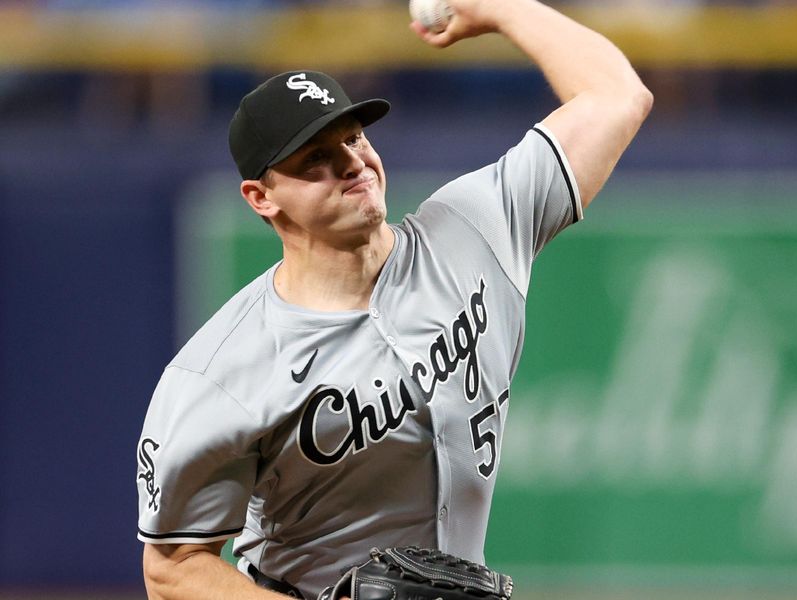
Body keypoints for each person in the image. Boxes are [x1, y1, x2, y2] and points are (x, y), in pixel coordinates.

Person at [136, 1, 653, 599]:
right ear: (261, 197)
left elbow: (617, 96)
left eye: (353, 137)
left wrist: (502, 10)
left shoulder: (473, 230)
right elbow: (172, 567)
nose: (353, 162)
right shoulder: (222, 372)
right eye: (317, 158)